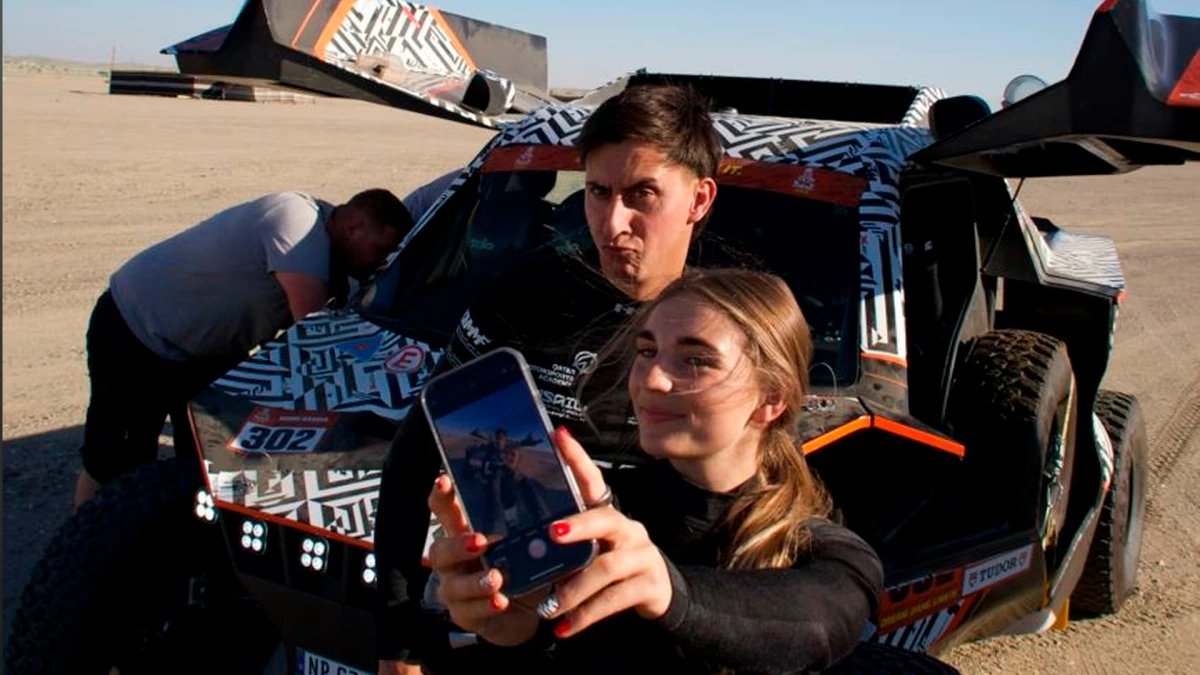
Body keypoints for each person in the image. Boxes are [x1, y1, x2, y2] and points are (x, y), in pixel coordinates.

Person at [374, 83, 722, 673]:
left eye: (642, 195)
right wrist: (399, 639)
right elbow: (412, 462)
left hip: (660, 640)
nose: (613, 224)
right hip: (516, 626)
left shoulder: (727, 326)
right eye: (596, 193)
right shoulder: (522, 298)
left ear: (698, 199)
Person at [427, 268, 884, 674]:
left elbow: (820, 624)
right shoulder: (597, 520)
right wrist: (510, 633)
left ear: (771, 399)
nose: (650, 379)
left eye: (695, 360)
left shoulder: (822, 550)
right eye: (647, 351)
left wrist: (671, 591)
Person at [72, 188, 414, 510]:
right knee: (114, 460)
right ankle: (80, 557)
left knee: (207, 457)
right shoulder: (298, 220)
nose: (380, 262)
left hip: (204, 354)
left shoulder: (334, 261)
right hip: (135, 332)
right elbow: (311, 333)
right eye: (379, 250)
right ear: (354, 226)